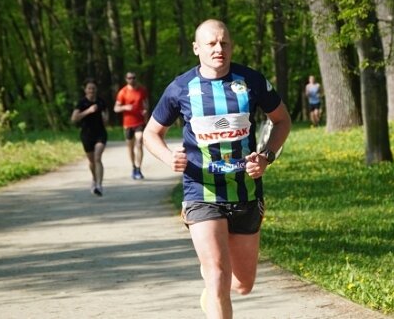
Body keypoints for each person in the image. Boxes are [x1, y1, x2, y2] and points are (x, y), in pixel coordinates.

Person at [144, 19, 291, 318]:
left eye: (224, 42)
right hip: (201, 192)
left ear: (231, 46)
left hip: (246, 192)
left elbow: (282, 120)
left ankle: (212, 294)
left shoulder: (251, 81)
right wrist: (167, 156)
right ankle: (213, 285)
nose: (218, 49)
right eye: (211, 43)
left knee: (242, 284)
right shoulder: (181, 88)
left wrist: (266, 156)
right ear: (197, 48)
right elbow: (150, 134)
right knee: (218, 275)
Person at [70, 78, 109, 196]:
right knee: (92, 161)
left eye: (93, 88)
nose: (91, 90)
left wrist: (105, 118)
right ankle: (94, 179)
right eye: (89, 88)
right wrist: (88, 111)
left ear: (96, 89)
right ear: (85, 90)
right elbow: (74, 119)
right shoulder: (81, 103)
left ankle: (99, 185)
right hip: (87, 134)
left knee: (97, 158)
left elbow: (107, 119)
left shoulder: (101, 102)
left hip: (100, 133)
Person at [114, 71, 150, 179]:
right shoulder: (122, 92)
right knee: (130, 147)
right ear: (126, 79)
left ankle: (139, 168)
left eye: (133, 78)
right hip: (128, 123)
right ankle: (133, 167)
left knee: (139, 142)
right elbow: (116, 108)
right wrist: (125, 107)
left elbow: (146, 104)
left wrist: (145, 112)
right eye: (129, 78)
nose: (132, 80)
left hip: (139, 122)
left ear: (136, 78)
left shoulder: (142, 90)